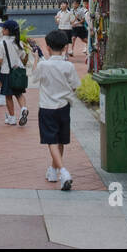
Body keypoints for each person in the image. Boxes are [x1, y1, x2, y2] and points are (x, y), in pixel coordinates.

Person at [35, 29, 80, 190]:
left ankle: (62, 171)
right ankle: (53, 170)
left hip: (47, 107)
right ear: (65, 47)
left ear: (47, 47)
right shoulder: (68, 66)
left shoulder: (43, 65)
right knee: (60, 140)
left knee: (51, 141)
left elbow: (34, 79)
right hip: (64, 107)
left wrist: (35, 59)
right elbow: (75, 87)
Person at [0, 19, 29, 125]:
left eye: (3, 28)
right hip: (18, 71)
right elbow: (23, 57)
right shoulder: (18, 42)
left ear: (7, 31)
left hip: (7, 72)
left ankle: (11, 118)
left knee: (8, 96)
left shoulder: (2, 43)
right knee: (19, 94)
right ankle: (24, 109)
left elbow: (0, 60)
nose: (2, 29)